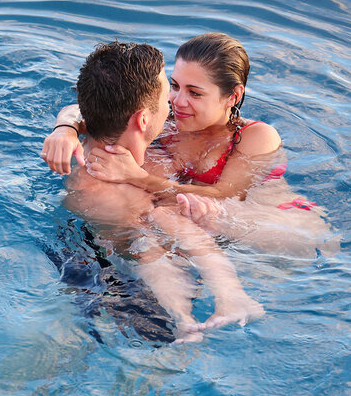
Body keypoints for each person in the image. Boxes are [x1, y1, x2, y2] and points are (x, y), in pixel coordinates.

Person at [42, 32, 333, 258]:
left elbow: (222, 195)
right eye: (175, 86)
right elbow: (108, 110)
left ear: (232, 96)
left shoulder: (255, 137)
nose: (178, 101)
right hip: (195, 225)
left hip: (276, 230)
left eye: (194, 93)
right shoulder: (170, 120)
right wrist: (65, 128)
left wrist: (137, 177)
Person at [62, 41, 263, 342]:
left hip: (82, 253)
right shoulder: (127, 190)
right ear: (143, 119)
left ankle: (186, 322)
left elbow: (85, 106)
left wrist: (63, 129)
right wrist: (213, 302)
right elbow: (157, 251)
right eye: (170, 89)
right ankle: (197, 316)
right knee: (157, 234)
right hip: (127, 274)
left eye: (193, 92)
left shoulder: (96, 144)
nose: (174, 102)